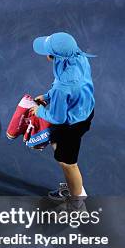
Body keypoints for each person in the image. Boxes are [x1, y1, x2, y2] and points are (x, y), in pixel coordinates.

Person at [28, 32, 95, 202]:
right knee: (57, 146)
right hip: (84, 110)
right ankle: (74, 187)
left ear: (55, 55)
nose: (45, 54)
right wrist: (48, 96)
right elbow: (64, 88)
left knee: (68, 164)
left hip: (72, 125)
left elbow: (57, 118)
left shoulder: (63, 87)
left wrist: (39, 111)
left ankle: (77, 201)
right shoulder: (77, 55)